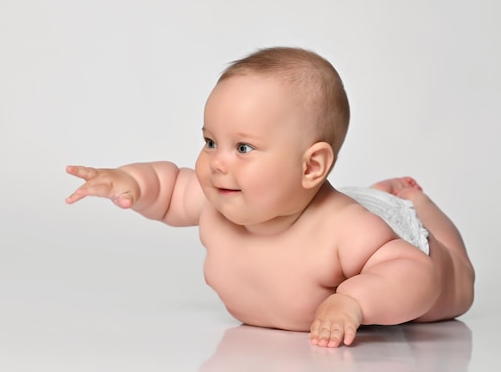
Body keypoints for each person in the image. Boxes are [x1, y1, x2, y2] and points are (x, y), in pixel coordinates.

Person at [64, 47, 475, 347]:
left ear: (311, 167)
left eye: (243, 148)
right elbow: (168, 187)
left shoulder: (344, 228)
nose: (216, 163)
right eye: (210, 142)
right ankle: (379, 191)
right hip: (320, 199)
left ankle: (409, 199)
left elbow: (417, 275)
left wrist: (354, 301)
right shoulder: (218, 200)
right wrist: (129, 182)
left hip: (404, 238)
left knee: (454, 290)